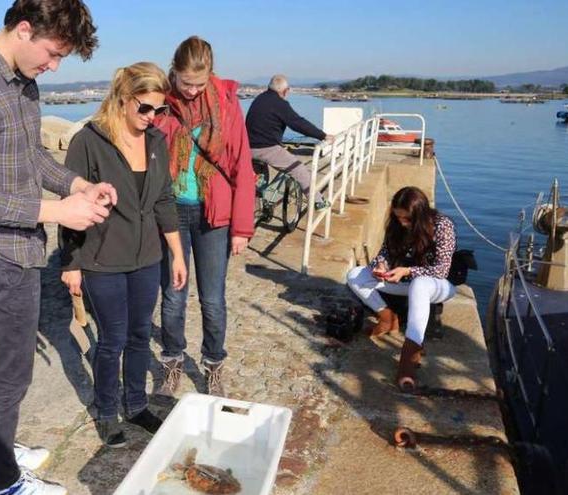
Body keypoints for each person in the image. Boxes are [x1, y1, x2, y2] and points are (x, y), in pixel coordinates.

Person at [0, 1, 115, 494]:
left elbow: (33, 157)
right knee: (8, 374)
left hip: (21, 245)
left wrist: (76, 185)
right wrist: (55, 212)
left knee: (3, 368)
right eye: (52, 53)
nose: (54, 66)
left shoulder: (22, 81)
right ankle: (2, 484)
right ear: (24, 30)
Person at [59, 62, 188, 448]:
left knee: (137, 335)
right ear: (122, 99)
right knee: (111, 338)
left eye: (159, 110)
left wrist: (177, 255)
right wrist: (71, 264)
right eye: (144, 108)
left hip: (148, 258)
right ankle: (107, 409)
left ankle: (135, 405)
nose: (152, 117)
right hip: (103, 258)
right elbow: (69, 206)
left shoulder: (156, 143)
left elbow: (165, 200)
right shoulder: (89, 141)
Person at [154, 36, 255, 398]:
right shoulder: (161, 102)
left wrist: (242, 227)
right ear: (174, 74)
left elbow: (243, 164)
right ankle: (172, 363)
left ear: (210, 74)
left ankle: (213, 365)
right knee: (173, 295)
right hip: (172, 210)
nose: (193, 91)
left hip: (216, 215)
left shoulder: (227, 103)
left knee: (212, 298)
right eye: (185, 83)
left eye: (199, 83)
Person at [346, 186, 457, 389]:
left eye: (407, 218)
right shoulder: (396, 226)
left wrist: (407, 271)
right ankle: (387, 319)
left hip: (436, 286)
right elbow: (384, 253)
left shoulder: (442, 226)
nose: (402, 222)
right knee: (354, 275)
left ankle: (410, 353)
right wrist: (380, 266)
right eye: (398, 217)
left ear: (420, 215)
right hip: (401, 281)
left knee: (420, 285)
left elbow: (442, 270)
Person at [245, 74, 334, 209]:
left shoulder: (259, 99)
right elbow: (298, 123)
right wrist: (322, 135)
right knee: (299, 169)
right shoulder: (280, 103)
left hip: (248, 148)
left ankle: (254, 212)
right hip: (267, 148)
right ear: (285, 91)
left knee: (259, 181)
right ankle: (318, 201)